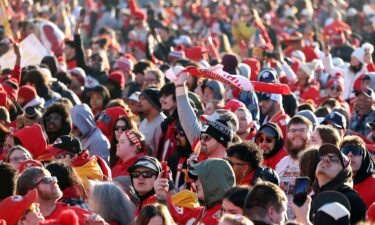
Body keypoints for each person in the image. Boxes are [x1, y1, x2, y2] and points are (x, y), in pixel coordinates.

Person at [313, 143, 367, 224]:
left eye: (334, 158)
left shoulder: (352, 200)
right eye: (322, 157)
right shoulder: (310, 198)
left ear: (344, 173)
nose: (326, 159)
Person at [16, 167, 91, 223]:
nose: (54, 181)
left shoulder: (75, 214)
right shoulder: (22, 221)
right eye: (47, 180)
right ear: (31, 192)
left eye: (52, 178)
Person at [178, 158, 236, 225]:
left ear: (214, 181)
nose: (195, 183)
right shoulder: (198, 211)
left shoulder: (224, 218)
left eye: (202, 179)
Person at [275, 115, 312, 219]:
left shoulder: (315, 161)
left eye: (302, 130)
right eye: (293, 130)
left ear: (310, 133)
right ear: (287, 135)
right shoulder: (282, 163)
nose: (297, 133)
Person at [339, 135, 375, 207]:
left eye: (355, 150)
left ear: (364, 156)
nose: (350, 154)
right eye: (345, 151)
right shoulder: (334, 183)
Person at [138, 88, 166, 155]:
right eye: (140, 99)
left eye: (143, 99)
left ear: (153, 102)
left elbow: (160, 155)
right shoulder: (144, 121)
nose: (139, 102)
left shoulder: (162, 123)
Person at [157, 83, 180, 162]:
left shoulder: (182, 123)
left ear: (177, 96)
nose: (161, 100)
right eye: (161, 96)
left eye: (165, 96)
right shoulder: (167, 123)